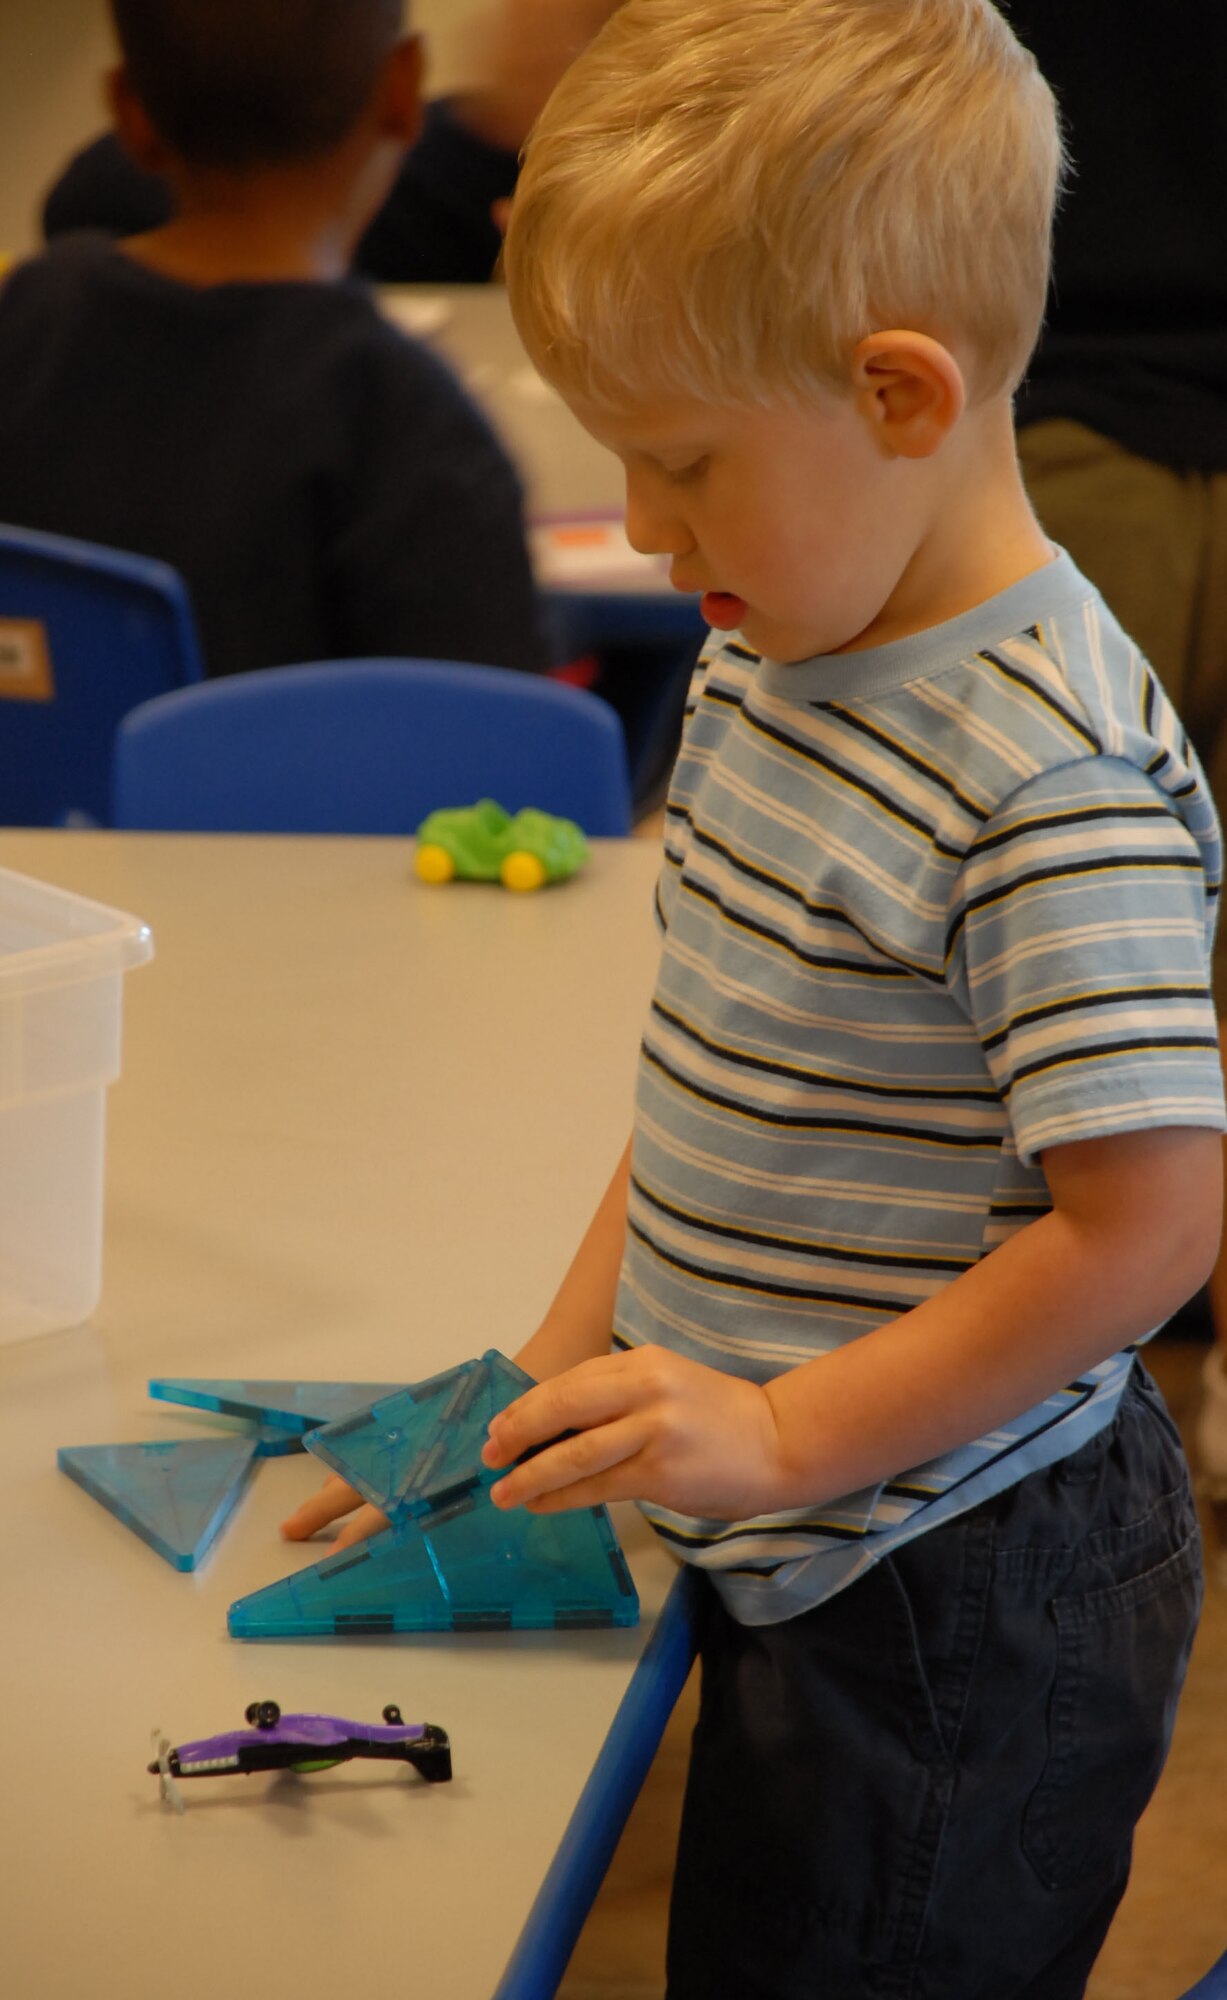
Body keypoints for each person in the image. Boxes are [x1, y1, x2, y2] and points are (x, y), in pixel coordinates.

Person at [283, 3, 1225, 1992]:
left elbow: (1145, 1230)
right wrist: (539, 1376)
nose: (639, 527)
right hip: (800, 1505)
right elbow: (720, 1075)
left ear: (897, 392)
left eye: (681, 458)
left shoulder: (1038, 773)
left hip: (962, 1580)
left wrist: (789, 1434)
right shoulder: (770, 653)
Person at [0, 0, 543, 680]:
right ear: (402, 90)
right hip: (295, 789)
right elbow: (487, 744)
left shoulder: (24, 320)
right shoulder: (404, 419)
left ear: (127, 111)